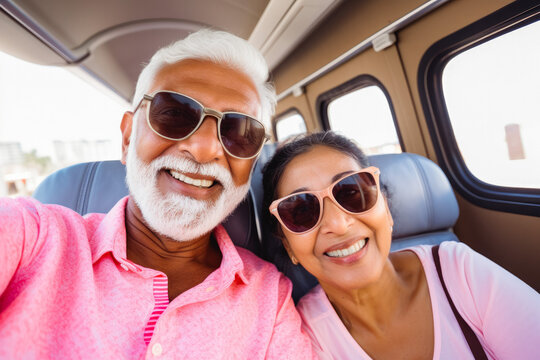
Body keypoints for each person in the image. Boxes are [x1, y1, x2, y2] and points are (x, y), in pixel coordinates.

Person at [0, 29, 314, 359]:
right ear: (127, 138)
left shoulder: (269, 298)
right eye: (175, 114)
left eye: (239, 132)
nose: (204, 149)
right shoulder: (32, 240)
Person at [262, 131, 540, 359]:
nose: (338, 223)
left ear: (386, 210)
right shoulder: (304, 339)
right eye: (301, 210)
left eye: (350, 192)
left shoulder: (460, 271)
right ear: (288, 247)